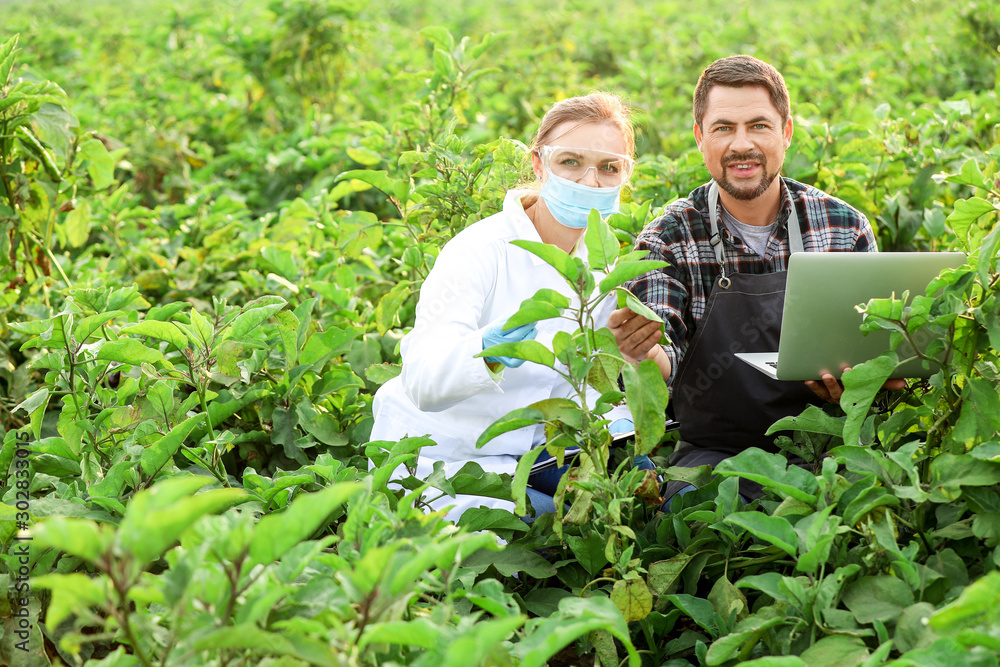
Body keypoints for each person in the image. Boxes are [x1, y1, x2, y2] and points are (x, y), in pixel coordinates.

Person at [608, 55, 901, 500]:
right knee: (690, 512)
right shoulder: (670, 237)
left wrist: (863, 380)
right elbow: (660, 354)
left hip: (831, 444)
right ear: (700, 138)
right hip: (714, 459)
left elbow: (876, 350)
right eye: (724, 127)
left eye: (759, 126)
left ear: (785, 132)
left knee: (873, 499)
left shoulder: (842, 225)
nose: (741, 144)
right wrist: (640, 351)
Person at [370, 92, 639, 522]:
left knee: (628, 499)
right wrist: (485, 351)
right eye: (570, 162)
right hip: (441, 458)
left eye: (609, 167)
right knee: (497, 551)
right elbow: (421, 381)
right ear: (539, 164)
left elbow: (576, 386)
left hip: (527, 454)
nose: (590, 181)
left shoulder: (601, 262)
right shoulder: (479, 250)